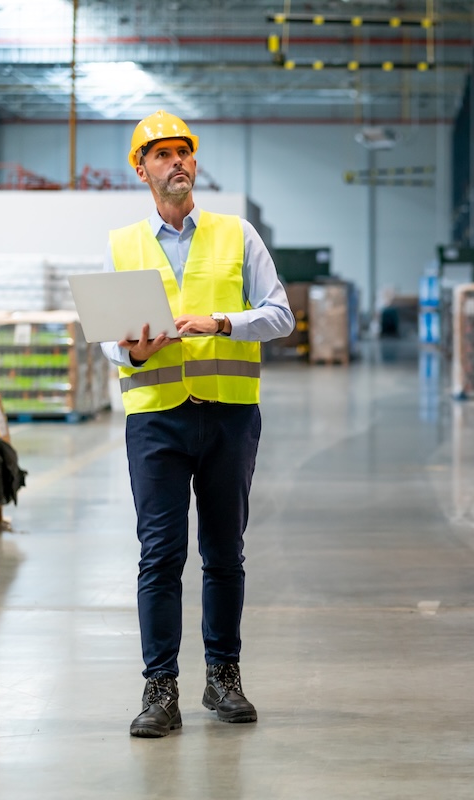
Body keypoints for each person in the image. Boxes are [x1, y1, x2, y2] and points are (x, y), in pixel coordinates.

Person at [99, 110, 295, 738]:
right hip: (155, 421)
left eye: (183, 152)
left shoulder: (238, 235)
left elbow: (281, 315)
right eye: (161, 155)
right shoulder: (124, 245)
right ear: (142, 168)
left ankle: (223, 679)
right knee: (159, 555)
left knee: (223, 553)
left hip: (229, 417)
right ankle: (160, 690)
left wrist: (223, 322)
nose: (176, 162)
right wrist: (132, 351)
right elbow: (109, 338)